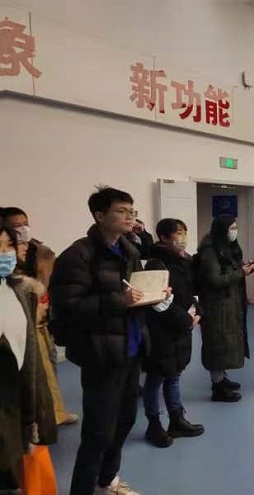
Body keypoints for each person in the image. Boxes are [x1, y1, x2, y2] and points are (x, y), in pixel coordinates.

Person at [50, 186, 170, 495]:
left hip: (131, 348)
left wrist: (155, 295)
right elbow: (68, 307)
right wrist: (121, 300)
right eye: (122, 211)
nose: (130, 217)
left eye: (132, 211)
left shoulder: (129, 251)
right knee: (98, 432)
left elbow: (133, 294)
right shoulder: (78, 255)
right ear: (99, 215)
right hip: (100, 354)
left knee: (125, 421)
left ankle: (106, 480)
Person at [0, 225, 57, 493]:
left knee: (23, 456)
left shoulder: (22, 291)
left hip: (20, 389)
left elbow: (28, 346)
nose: (5, 253)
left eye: (8, 246)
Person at [142, 219, 204, 448]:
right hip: (162, 330)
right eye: (178, 233)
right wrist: (186, 320)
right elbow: (158, 301)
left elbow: (191, 292)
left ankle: (176, 419)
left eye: (185, 232)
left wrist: (197, 311)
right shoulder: (156, 264)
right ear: (164, 237)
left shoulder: (184, 260)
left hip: (181, 328)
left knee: (174, 374)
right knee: (156, 377)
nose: (183, 237)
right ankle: (154, 424)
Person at [14, 226, 78, 427]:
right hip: (22, 335)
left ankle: (53, 414)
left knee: (48, 374)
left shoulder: (36, 260)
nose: (23, 246)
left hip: (40, 330)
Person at [197, 216, 254, 403]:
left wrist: (243, 269)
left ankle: (222, 378)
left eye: (235, 227)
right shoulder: (209, 251)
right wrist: (241, 273)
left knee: (226, 342)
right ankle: (218, 387)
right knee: (217, 344)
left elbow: (229, 271)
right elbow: (215, 279)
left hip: (228, 304)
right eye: (231, 227)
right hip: (216, 306)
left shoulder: (226, 248)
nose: (234, 231)